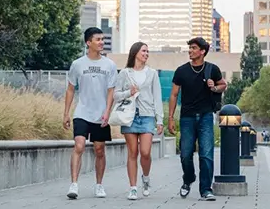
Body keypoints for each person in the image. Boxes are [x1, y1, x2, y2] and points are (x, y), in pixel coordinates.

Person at [168, 37, 227, 201]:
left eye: (194, 48)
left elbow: (223, 84)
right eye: (190, 48)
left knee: (206, 154)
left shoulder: (212, 69)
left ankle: (206, 189)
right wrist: (171, 118)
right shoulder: (181, 71)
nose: (190, 51)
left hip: (206, 117)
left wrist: (214, 87)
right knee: (185, 154)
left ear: (202, 51)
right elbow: (173, 95)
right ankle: (188, 179)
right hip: (186, 118)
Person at [63, 27, 117, 200]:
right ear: (88, 43)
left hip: (101, 113)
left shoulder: (110, 65)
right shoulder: (78, 64)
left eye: (102, 39)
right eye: (98, 39)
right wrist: (66, 113)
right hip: (82, 112)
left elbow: (111, 91)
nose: (101, 42)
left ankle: (99, 185)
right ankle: (74, 184)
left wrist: (107, 112)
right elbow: (71, 89)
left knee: (99, 150)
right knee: (79, 145)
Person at [115, 42, 164, 200]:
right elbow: (116, 95)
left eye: (148, 51)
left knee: (145, 152)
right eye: (144, 50)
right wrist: (129, 92)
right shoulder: (124, 73)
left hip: (147, 116)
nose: (146, 53)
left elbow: (157, 97)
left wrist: (160, 120)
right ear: (135, 52)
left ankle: (146, 177)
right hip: (129, 116)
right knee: (132, 153)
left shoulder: (152, 73)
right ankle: (133, 188)